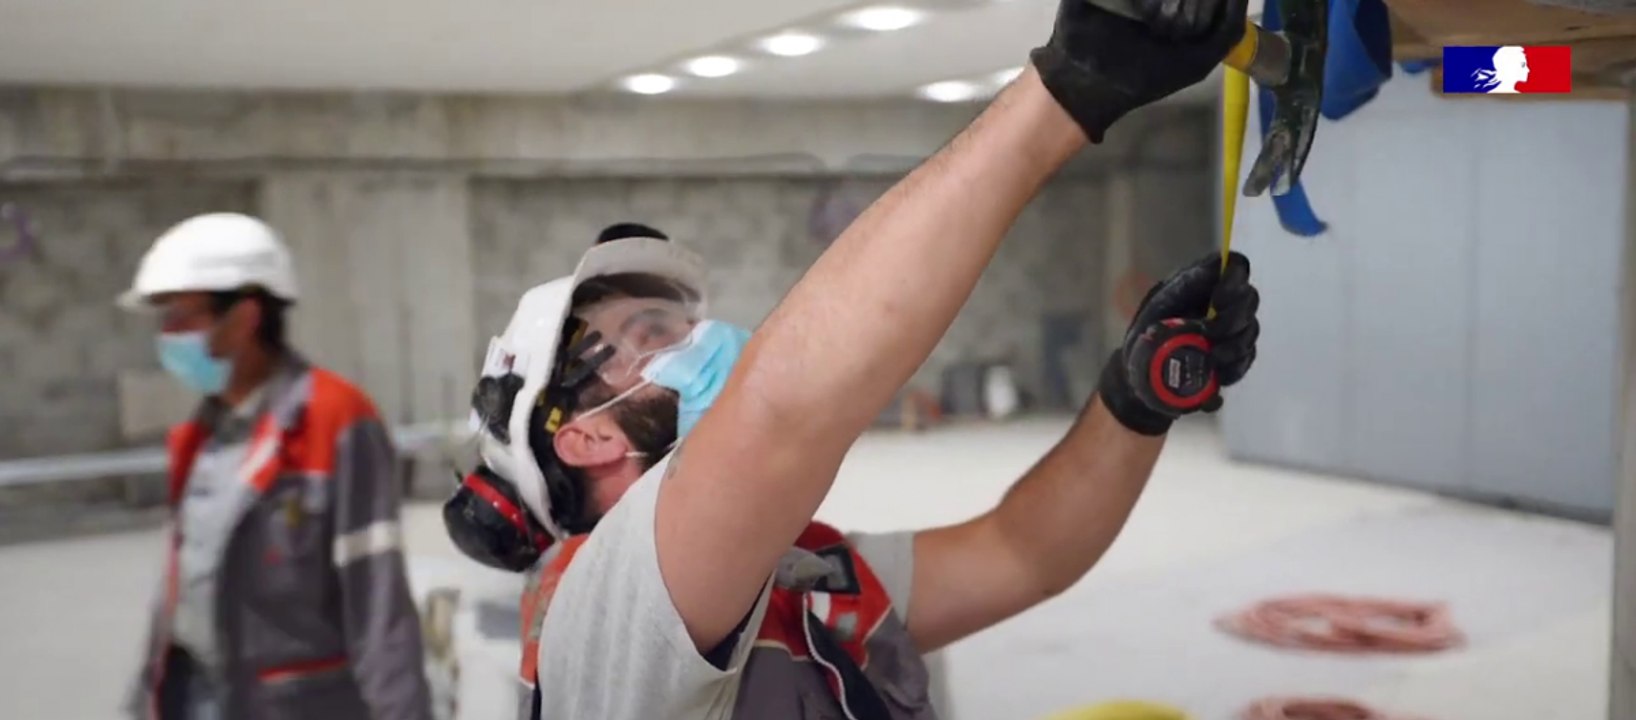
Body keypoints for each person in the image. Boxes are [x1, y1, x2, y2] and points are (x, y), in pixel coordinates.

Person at [441, 0, 1260, 716]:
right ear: (586, 438)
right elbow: (779, 413)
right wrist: (1065, 95)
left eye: (674, 319)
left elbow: (1024, 553)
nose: (695, 340)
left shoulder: (806, 570)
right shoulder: (604, 606)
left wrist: (1134, 400)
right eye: (648, 337)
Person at [119, 213, 432, 720]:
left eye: (180, 317)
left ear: (244, 318)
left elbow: (379, 607)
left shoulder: (336, 420)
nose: (167, 336)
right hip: (198, 699)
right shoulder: (198, 437)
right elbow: (180, 596)